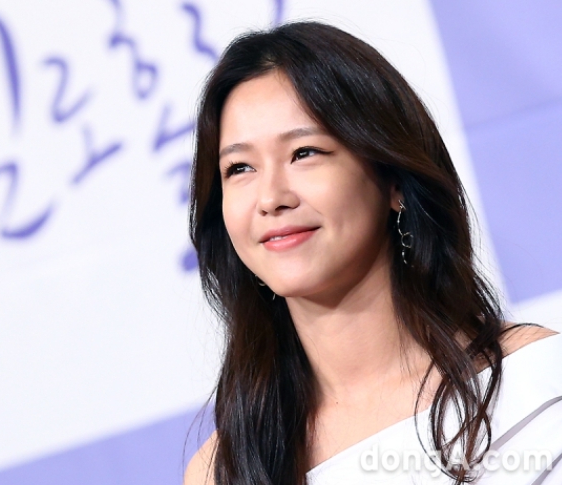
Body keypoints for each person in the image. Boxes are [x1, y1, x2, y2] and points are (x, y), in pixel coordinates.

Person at [183, 21, 561, 485]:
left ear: (393, 179)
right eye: (239, 168)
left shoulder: (538, 383)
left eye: (304, 153)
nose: (271, 198)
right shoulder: (223, 470)